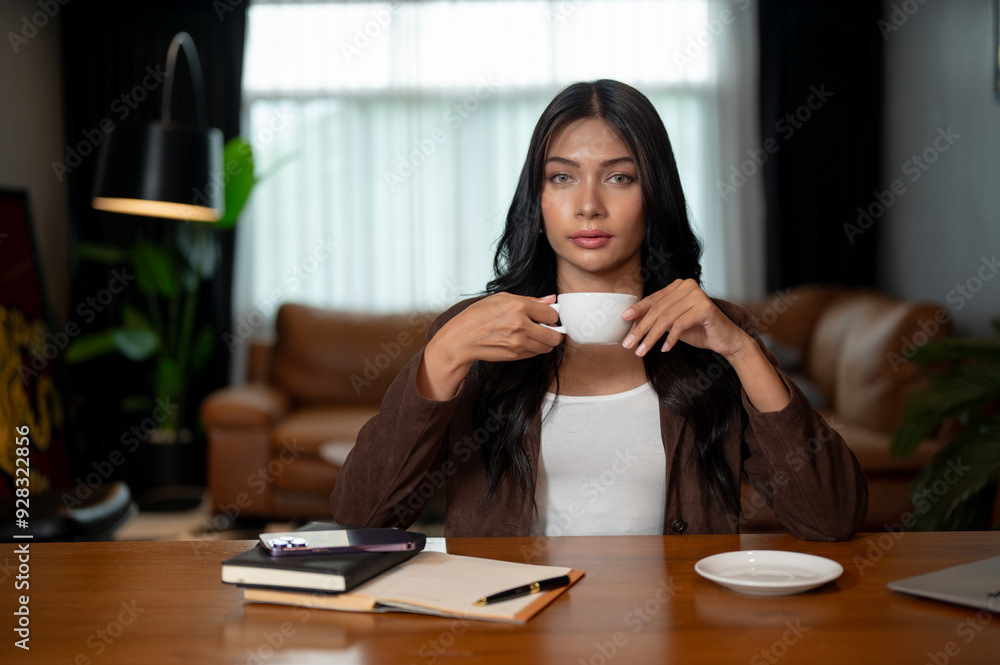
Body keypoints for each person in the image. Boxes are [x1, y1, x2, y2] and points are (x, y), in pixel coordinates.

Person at [331, 79, 867, 541]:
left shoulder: (717, 333)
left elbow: (832, 518)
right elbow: (365, 517)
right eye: (562, 177)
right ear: (536, 199)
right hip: (511, 636)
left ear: (654, 195)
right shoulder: (475, 332)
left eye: (619, 177)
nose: (588, 205)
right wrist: (442, 355)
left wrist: (740, 349)